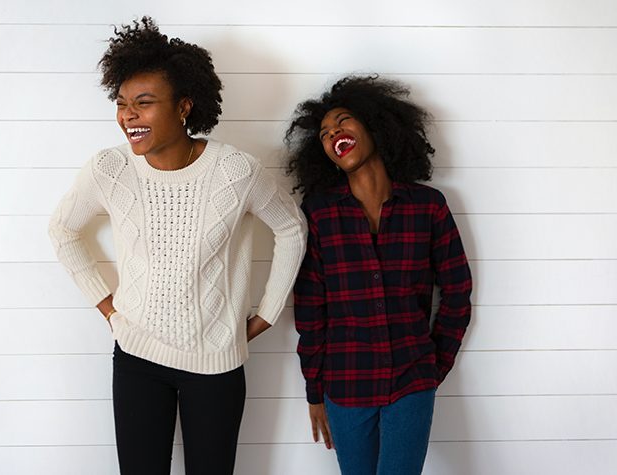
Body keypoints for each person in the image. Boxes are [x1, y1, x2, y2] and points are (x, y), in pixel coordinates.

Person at [48, 17, 307, 475]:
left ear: (184, 106)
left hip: (217, 364)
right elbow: (63, 230)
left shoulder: (235, 171)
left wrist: (267, 311)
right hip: (136, 358)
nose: (128, 116)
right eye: (122, 103)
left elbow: (291, 228)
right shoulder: (109, 169)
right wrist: (108, 307)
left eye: (144, 103)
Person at [286, 76, 472, 475]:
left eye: (344, 120)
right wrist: (314, 391)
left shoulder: (428, 207)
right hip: (346, 385)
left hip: (412, 381)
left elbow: (457, 291)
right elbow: (311, 311)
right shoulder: (318, 213)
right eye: (324, 133)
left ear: (375, 125)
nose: (333, 132)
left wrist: (433, 366)